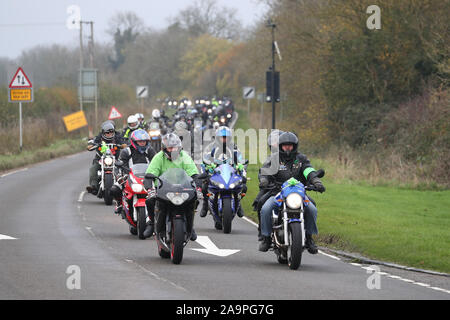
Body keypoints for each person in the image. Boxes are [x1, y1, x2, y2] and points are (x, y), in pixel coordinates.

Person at [255, 131, 325, 253]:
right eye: (285, 145)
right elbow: (265, 171)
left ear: (294, 146)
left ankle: (309, 238)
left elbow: (309, 171)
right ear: (281, 146)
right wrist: (264, 180)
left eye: (290, 145)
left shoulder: (301, 159)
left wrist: (316, 181)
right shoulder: (274, 159)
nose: (287, 147)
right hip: (277, 192)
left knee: (312, 209)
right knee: (265, 208)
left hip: (298, 193)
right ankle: (266, 238)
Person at [144, 133, 202, 241]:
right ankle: (151, 223)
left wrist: (198, 187)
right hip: (163, 188)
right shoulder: (158, 157)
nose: (172, 150)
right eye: (170, 148)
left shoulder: (184, 156)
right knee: (150, 201)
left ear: (179, 148)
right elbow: (149, 175)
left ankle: (190, 226)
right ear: (164, 148)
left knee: (194, 201)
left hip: (182, 188)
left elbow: (194, 173)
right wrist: (149, 189)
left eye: (175, 147)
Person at [111, 130, 156, 235]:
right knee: (114, 189)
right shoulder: (126, 152)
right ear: (134, 142)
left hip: (147, 177)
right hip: (129, 176)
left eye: (144, 141)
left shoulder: (150, 151)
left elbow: (156, 164)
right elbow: (119, 165)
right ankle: (119, 203)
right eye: (140, 142)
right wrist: (119, 176)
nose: (142, 144)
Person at [199, 126, 247, 218]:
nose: (224, 139)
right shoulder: (211, 147)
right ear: (217, 138)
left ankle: (239, 203)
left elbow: (241, 160)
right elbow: (204, 160)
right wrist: (207, 169)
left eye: (226, 138)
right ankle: (205, 205)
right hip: (215, 173)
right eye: (222, 137)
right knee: (205, 186)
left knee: (243, 187)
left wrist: (242, 169)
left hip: (231, 173)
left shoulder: (234, 147)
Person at [253, 129, 284, 240]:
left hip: (292, 190)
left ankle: (307, 236)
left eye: (277, 143)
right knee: (260, 202)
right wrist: (264, 181)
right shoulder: (271, 159)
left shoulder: (296, 159)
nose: (275, 146)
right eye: (273, 144)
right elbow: (263, 171)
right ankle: (262, 231)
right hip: (273, 188)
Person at [86, 121, 126, 195]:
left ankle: (125, 187)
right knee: (93, 169)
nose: (109, 134)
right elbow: (93, 142)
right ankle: (93, 186)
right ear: (103, 133)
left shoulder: (117, 136)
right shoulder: (99, 137)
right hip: (100, 158)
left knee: (124, 169)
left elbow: (123, 141)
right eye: (107, 133)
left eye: (111, 132)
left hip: (115, 159)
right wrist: (91, 145)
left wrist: (123, 145)